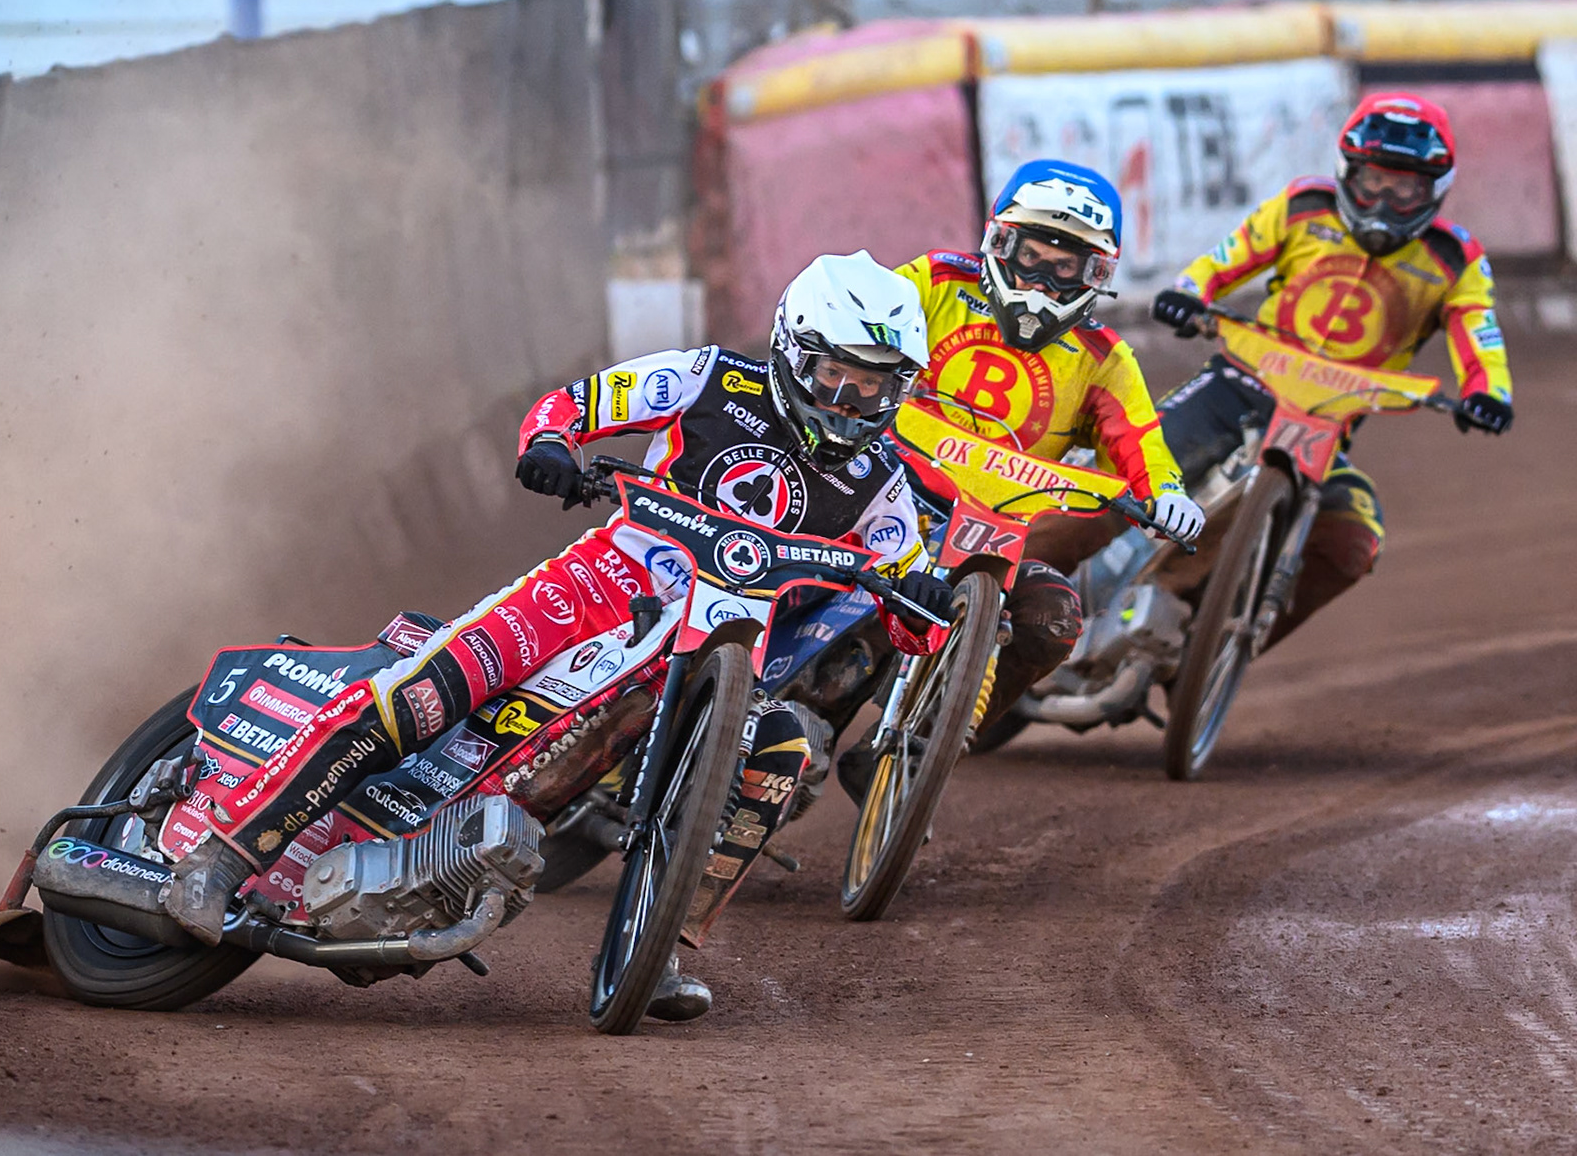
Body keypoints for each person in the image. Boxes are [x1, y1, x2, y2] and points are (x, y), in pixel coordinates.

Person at [163, 250, 950, 1020]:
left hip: (710, 651)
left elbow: (912, 598)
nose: (850, 402)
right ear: (791, 348)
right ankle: (223, 854)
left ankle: (659, 942)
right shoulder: (712, 377)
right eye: (836, 377)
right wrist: (551, 448)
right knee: (423, 694)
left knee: (780, 749)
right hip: (595, 588)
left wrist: (921, 600)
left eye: (875, 386)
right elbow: (574, 405)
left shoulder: (880, 480)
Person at [856, 159, 1202, 778]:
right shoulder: (935, 280)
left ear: (1096, 275)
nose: (1043, 279)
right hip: (875, 488)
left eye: (1066, 267)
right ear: (999, 241)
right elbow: (855, 327)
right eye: (1033, 254)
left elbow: (1139, 439)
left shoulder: (1103, 358)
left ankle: (917, 752)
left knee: (1051, 621)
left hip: (994, 529)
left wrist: (1167, 492)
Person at [1148, 92, 1513, 647]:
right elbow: (1224, 257)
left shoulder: (1456, 259)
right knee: (1127, 466)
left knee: (1354, 542)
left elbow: (1478, 332)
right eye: (1373, 181)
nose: (1384, 201)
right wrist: (1187, 293)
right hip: (1238, 384)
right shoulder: (1302, 206)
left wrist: (1490, 392)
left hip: (1325, 425)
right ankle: (1033, 591)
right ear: (1347, 171)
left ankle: (1210, 652)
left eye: (1404, 188)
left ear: (1434, 190)